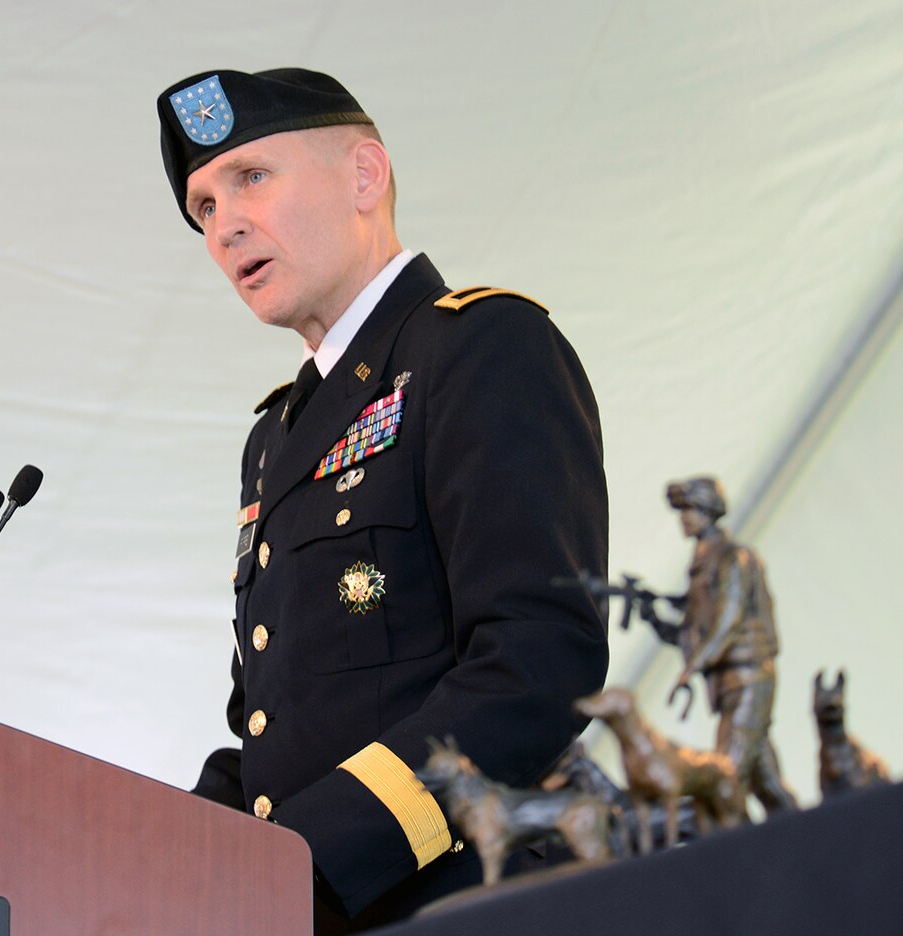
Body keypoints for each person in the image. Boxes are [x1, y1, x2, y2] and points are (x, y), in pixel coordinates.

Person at [157, 68, 610, 930]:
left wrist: (308, 862)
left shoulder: (483, 347)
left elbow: (538, 664)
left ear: (365, 176)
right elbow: (271, 739)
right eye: (205, 208)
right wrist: (143, 856)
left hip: (463, 902)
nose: (226, 227)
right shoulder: (273, 440)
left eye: (251, 177)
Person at [644, 476, 798, 813]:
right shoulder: (701, 566)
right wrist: (653, 620)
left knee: (725, 775)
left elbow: (727, 623)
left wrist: (691, 668)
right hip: (730, 683)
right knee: (766, 781)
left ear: (708, 510)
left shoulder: (733, 559)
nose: (683, 518)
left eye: (689, 509)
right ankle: (812, 832)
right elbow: (692, 634)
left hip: (747, 675)